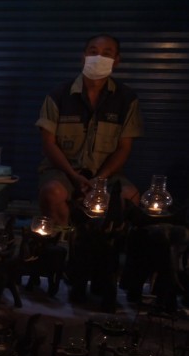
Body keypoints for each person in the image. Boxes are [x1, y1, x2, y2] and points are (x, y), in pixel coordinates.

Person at [36, 34, 143, 226]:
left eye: (106, 53)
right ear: (83, 56)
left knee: (129, 196)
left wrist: (100, 180)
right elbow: (48, 143)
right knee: (53, 191)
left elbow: (124, 148)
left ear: (116, 61)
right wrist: (73, 175)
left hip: (107, 174)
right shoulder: (58, 95)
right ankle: (62, 242)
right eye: (93, 52)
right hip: (64, 171)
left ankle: (107, 246)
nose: (98, 57)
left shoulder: (126, 99)